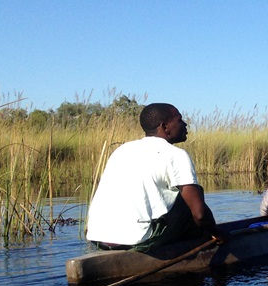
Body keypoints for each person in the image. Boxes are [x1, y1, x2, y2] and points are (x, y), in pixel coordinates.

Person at [86, 103, 220, 251]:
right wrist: (218, 233)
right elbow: (200, 215)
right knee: (191, 199)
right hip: (138, 240)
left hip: (99, 237)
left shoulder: (122, 150)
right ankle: (197, 248)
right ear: (165, 127)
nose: (185, 124)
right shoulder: (176, 155)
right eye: (179, 120)